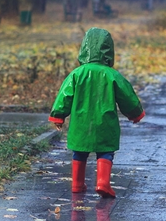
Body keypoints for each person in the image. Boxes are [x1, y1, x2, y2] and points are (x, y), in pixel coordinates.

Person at [49, 27, 145, 198]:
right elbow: (127, 96)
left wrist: (58, 115)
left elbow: (65, 95)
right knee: (105, 151)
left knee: (79, 151)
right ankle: (103, 183)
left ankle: (77, 184)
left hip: (81, 122)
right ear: (109, 50)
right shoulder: (112, 75)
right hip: (105, 121)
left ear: (84, 48)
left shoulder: (77, 74)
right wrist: (134, 113)